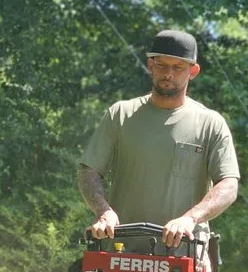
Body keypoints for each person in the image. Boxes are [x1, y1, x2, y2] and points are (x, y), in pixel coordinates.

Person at [78, 29, 239, 253]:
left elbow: (229, 186)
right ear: (150, 65)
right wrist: (103, 211)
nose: (168, 74)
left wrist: (190, 219)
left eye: (178, 67)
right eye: (162, 65)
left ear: (193, 71)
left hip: (186, 256)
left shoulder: (210, 123)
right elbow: (89, 171)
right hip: (119, 253)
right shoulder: (121, 114)